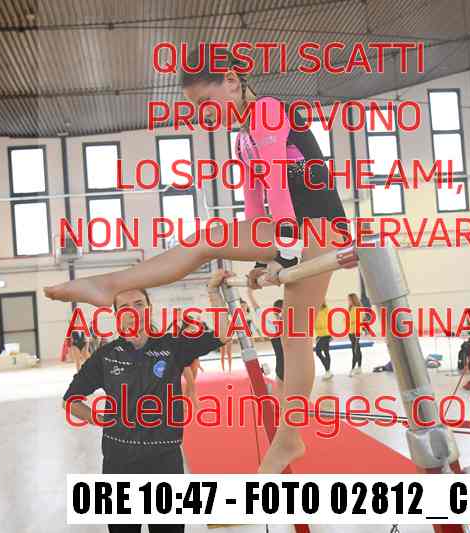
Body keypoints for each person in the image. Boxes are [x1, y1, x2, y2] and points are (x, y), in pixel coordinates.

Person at [45, 47, 347, 474]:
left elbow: (280, 183)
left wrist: (283, 250)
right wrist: (263, 261)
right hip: (300, 229)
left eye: (205, 102)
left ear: (231, 81)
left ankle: (112, 284)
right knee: (293, 338)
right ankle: (288, 439)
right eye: (195, 107)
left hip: (318, 227)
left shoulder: (267, 111)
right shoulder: (243, 136)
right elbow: (255, 203)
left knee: (208, 242)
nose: (203, 114)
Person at [62, 280, 231, 533]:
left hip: (164, 461)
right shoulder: (105, 356)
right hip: (119, 463)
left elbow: (223, 334)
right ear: (117, 315)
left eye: (139, 304)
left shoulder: (172, 346)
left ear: (149, 308)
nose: (133, 311)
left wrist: (213, 292)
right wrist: (100, 418)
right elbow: (71, 400)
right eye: (125, 307)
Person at [249, 287, 286, 400]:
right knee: (282, 384)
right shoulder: (272, 324)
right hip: (283, 365)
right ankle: (277, 400)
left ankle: (279, 400)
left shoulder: (288, 323)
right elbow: (258, 310)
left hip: (288, 364)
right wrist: (250, 295)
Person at [314, 301, 333, 381]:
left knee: (318, 351)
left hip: (325, 334)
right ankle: (328, 371)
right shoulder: (317, 311)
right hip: (321, 335)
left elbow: (323, 323)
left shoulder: (325, 310)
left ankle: (328, 370)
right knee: (326, 352)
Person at [347, 293, 364, 376]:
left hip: (356, 332)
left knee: (355, 350)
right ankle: (359, 368)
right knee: (357, 349)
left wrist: (349, 321)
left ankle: (353, 368)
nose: (348, 301)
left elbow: (357, 320)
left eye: (349, 299)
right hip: (351, 332)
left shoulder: (357, 309)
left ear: (353, 300)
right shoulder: (351, 309)